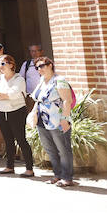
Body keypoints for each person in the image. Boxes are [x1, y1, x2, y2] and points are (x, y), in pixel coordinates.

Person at [0, 54, 34, 177]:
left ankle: (29, 168)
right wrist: (1, 95)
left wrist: (1, 95)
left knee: (21, 139)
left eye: (3, 63)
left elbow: (13, 94)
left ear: (11, 65)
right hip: (2, 112)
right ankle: (9, 166)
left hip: (17, 112)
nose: (0, 66)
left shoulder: (19, 79)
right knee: (8, 140)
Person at [29, 56, 74, 186]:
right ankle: (57, 175)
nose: (39, 69)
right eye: (37, 67)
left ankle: (67, 177)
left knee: (63, 149)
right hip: (42, 120)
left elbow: (67, 100)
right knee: (50, 149)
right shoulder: (42, 81)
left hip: (57, 120)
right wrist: (33, 112)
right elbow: (38, 100)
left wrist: (64, 119)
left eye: (42, 66)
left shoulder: (59, 80)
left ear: (50, 65)